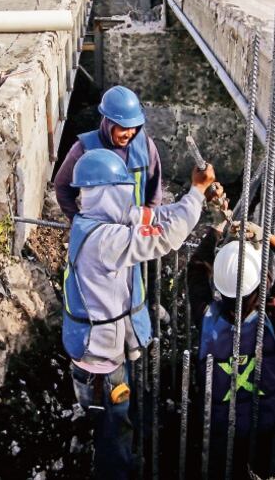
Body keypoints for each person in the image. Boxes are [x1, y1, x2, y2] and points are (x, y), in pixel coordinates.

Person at [63, 149, 216, 480]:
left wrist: (193, 200)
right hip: (101, 366)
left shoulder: (92, 220)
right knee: (113, 433)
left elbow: (152, 217)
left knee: (117, 422)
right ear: (108, 192)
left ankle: (126, 453)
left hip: (97, 354)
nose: (126, 199)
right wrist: (197, 192)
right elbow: (164, 237)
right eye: (121, 190)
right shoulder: (105, 239)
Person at [188, 221, 275, 479]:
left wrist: (216, 230)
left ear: (218, 284)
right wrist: (270, 239)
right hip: (267, 425)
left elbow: (194, 269)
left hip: (218, 426)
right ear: (260, 281)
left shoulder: (206, 317)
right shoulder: (274, 313)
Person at [53, 85, 163, 221]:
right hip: (102, 233)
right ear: (109, 123)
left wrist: (146, 222)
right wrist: (77, 220)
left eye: (133, 127)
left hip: (134, 230)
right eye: (123, 128)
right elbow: (62, 186)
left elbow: (154, 190)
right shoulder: (84, 150)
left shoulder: (145, 146)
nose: (129, 134)